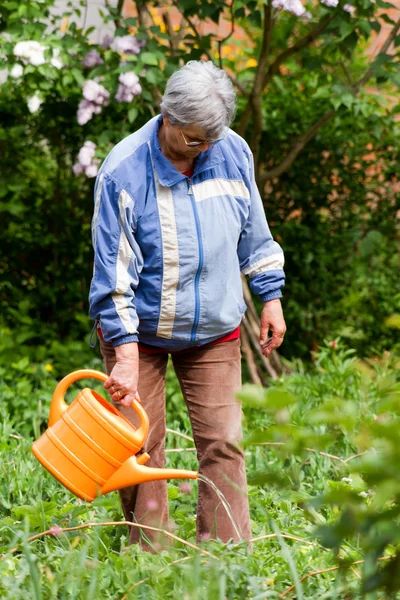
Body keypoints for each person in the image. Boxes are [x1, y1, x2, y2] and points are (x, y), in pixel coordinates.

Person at [89, 60, 286, 549]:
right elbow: (113, 276)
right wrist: (127, 357)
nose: (204, 150)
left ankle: (226, 556)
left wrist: (270, 296)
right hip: (140, 333)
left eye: (211, 140)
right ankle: (150, 559)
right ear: (168, 119)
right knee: (142, 449)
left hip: (215, 329)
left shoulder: (231, 151)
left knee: (223, 443)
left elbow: (253, 231)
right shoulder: (123, 171)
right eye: (194, 140)